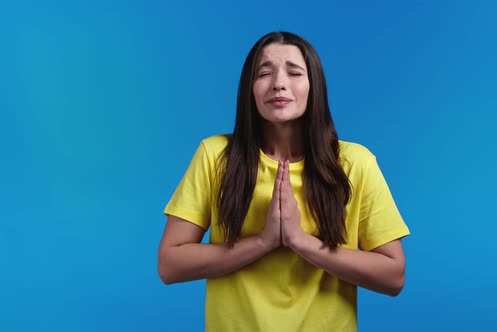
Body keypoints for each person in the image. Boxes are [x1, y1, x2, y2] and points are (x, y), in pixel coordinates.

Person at [158, 31, 410, 331]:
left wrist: (301, 242)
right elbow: (170, 265)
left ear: (313, 86)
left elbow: (393, 276)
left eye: (294, 72)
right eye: (264, 73)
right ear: (249, 89)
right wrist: (263, 242)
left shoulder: (355, 163)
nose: (279, 82)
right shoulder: (215, 156)